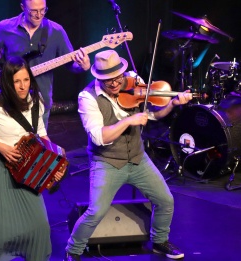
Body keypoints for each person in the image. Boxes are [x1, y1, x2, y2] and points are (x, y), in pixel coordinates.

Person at [65, 50, 192, 260]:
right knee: (96, 211)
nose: (115, 83)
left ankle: (159, 241)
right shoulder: (87, 97)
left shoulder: (134, 82)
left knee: (166, 200)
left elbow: (153, 114)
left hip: (137, 158)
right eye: (108, 80)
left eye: (118, 77)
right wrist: (127, 121)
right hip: (106, 161)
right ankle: (73, 251)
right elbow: (99, 137)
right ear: (98, 77)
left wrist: (172, 104)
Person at [0, 56, 65, 260]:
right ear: (8, 81)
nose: (22, 86)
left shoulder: (37, 101)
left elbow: (41, 134)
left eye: (26, 80)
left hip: (27, 169)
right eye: (17, 81)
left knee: (40, 228)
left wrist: (56, 156)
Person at [0, 0, 90, 128]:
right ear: (22, 7)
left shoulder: (56, 30)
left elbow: (71, 64)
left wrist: (82, 66)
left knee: (37, 146)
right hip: (9, 101)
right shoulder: (5, 27)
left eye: (43, 10)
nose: (39, 15)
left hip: (41, 102)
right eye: (34, 11)